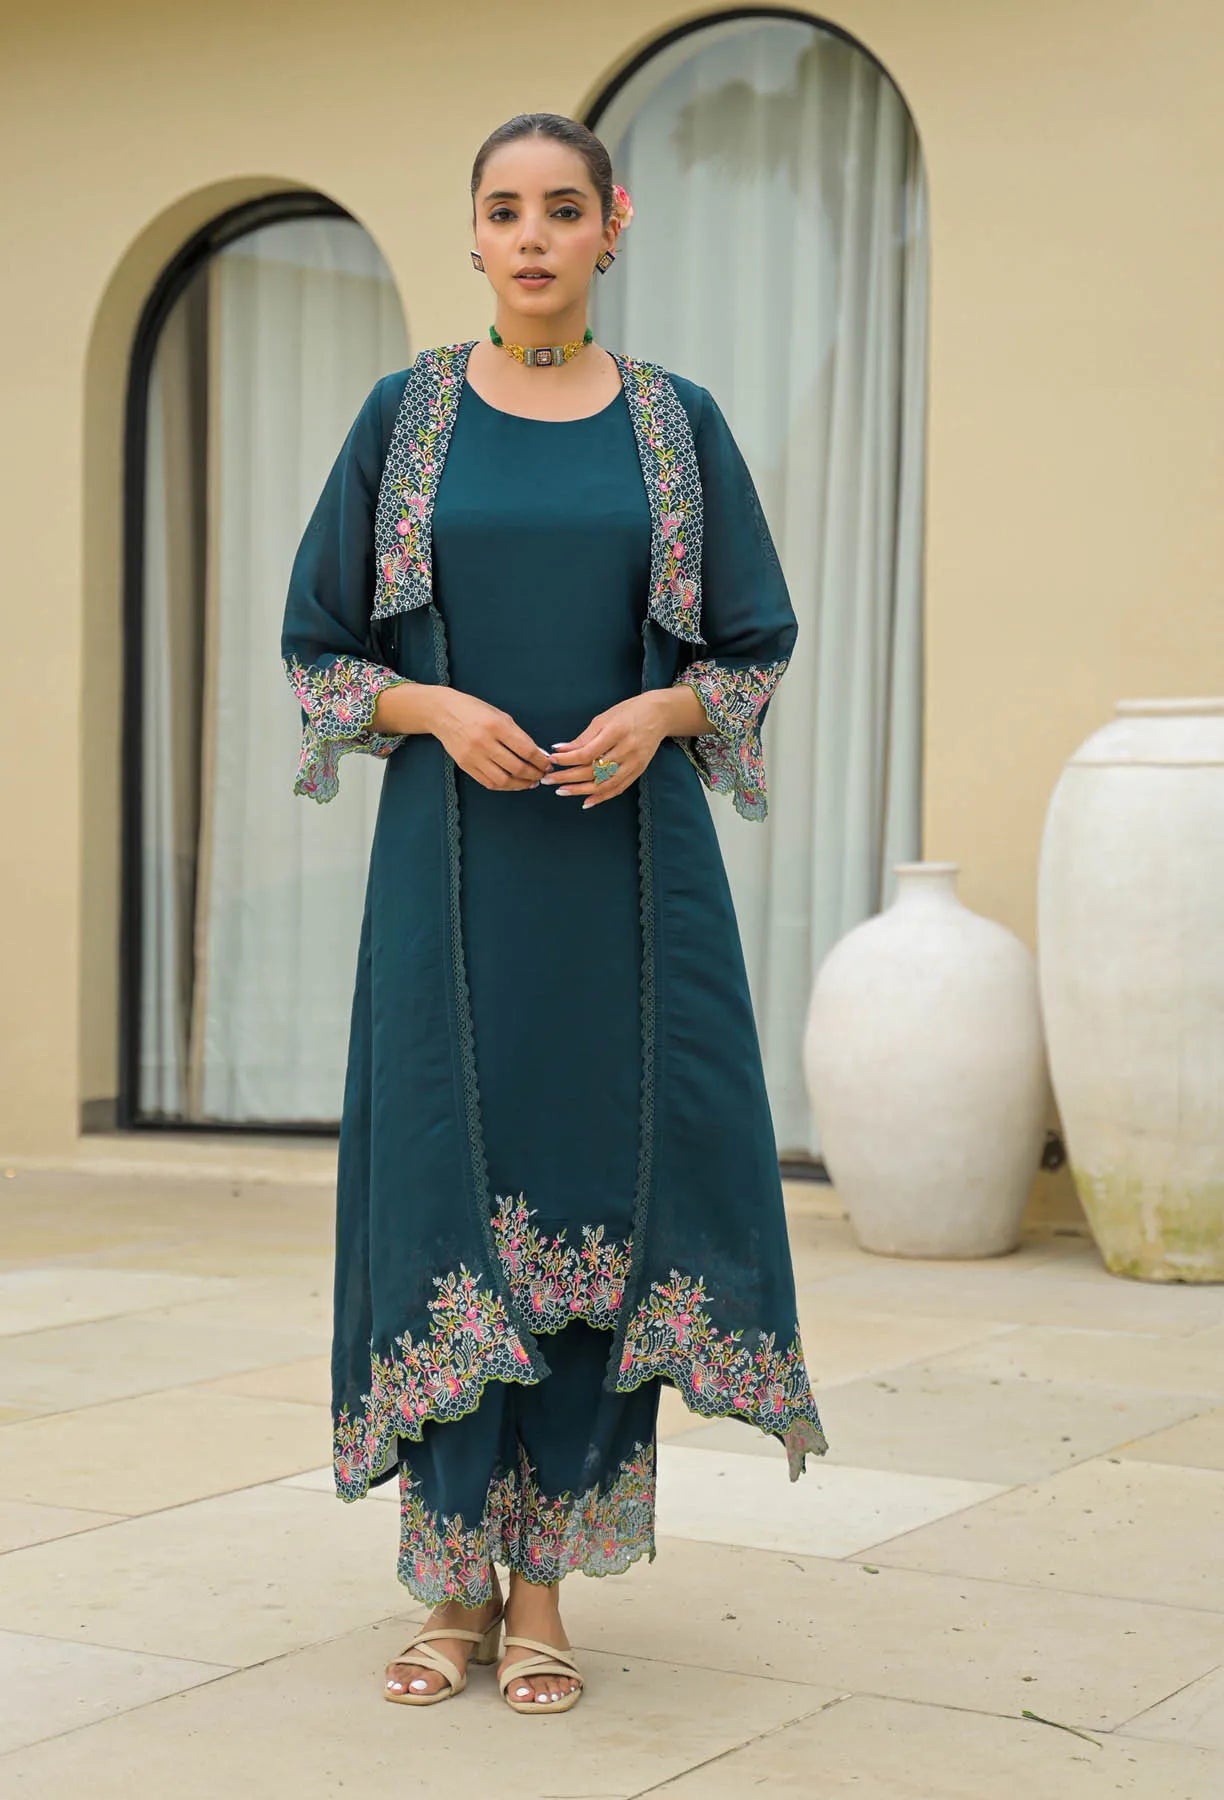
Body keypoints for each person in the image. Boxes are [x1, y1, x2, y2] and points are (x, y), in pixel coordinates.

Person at [280, 111, 828, 1717]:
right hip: (449, 872)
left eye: (562, 209)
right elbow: (322, 647)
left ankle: (542, 1599)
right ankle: (448, 1588)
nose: (533, 236)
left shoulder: (675, 423)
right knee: (447, 1191)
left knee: (602, 1201)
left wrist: (662, 713)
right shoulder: (406, 418)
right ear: (473, 235)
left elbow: (751, 641)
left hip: (624, 880)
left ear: (613, 225)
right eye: (506, 210)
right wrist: (434, 710)